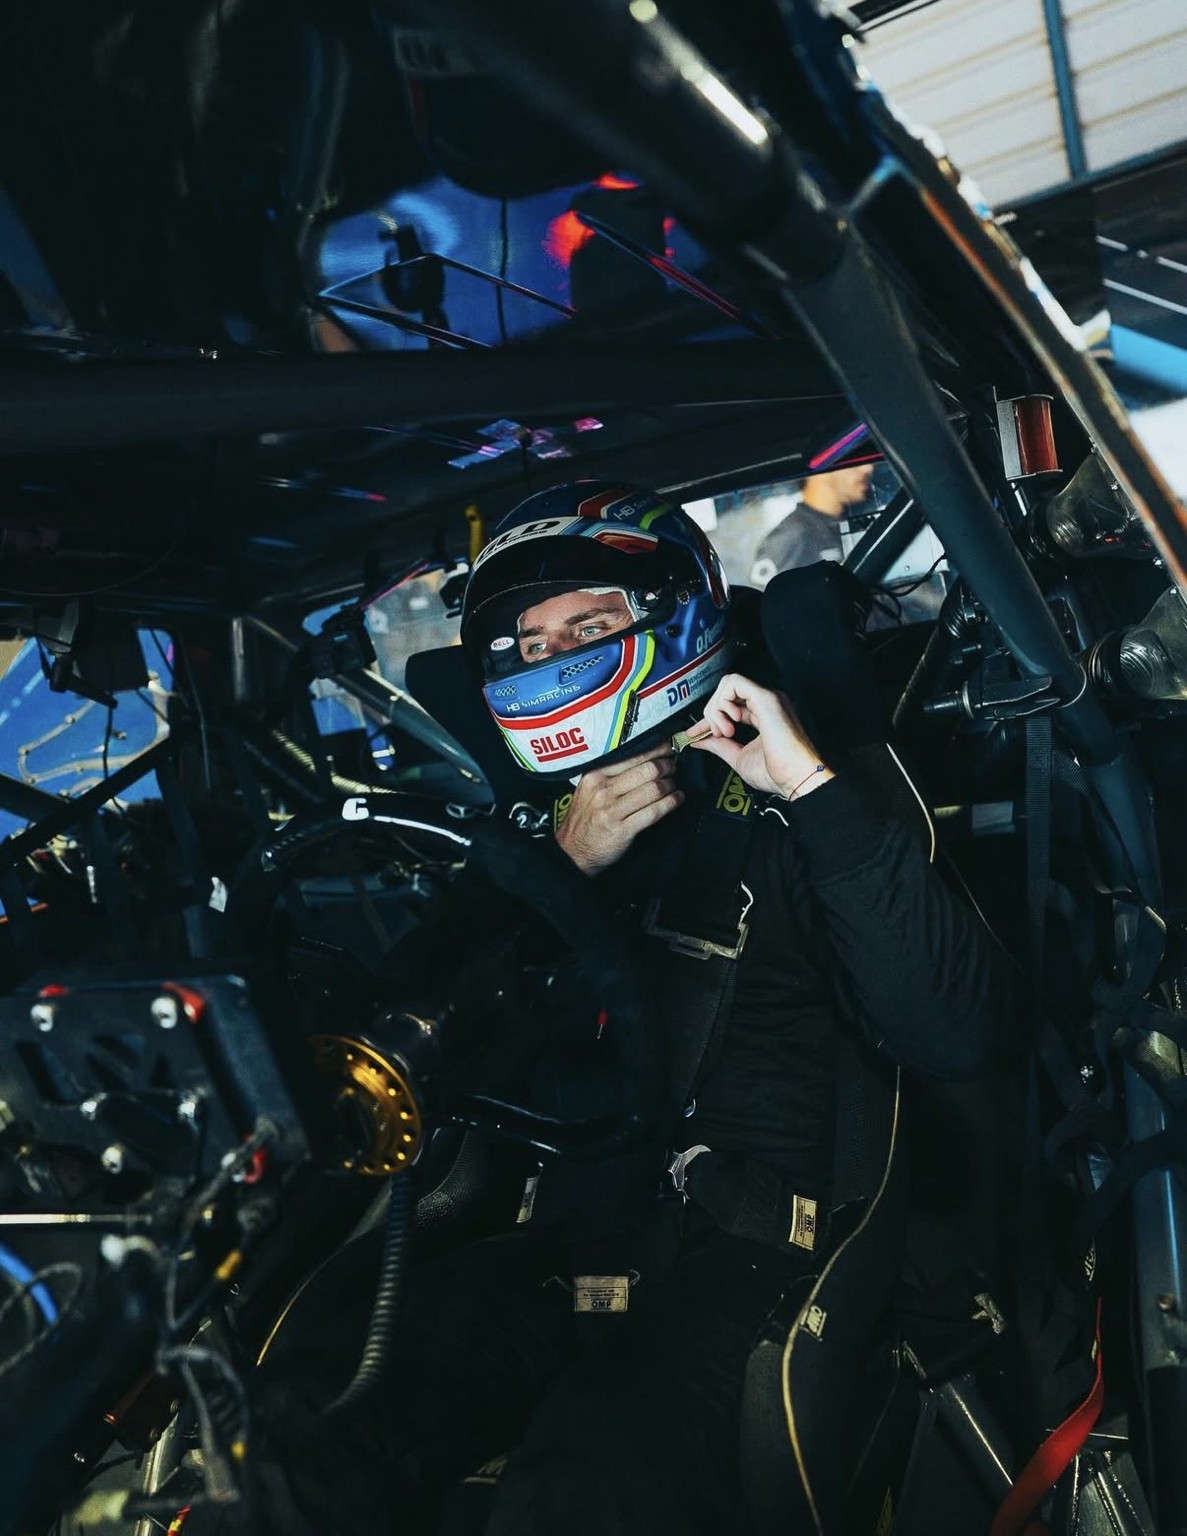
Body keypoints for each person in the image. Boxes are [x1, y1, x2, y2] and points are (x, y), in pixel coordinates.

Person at [254, 481, 1012, 1536]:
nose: (551, 655)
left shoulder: (808, 797)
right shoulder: (533, 837)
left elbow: (953, 1031)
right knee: (294, 1430)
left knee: (584, 1491)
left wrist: (807, 788)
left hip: (754, 1258)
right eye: (529, 642)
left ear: (670, 617)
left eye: (586, 627)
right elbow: (417, 1038)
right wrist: (559, 869)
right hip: (561, 1245)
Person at [749, 464, 874, 590]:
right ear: (820, 473)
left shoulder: (842, 524)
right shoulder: (793, 534)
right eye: (849, 462)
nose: (868, 468)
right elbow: (768, 598)